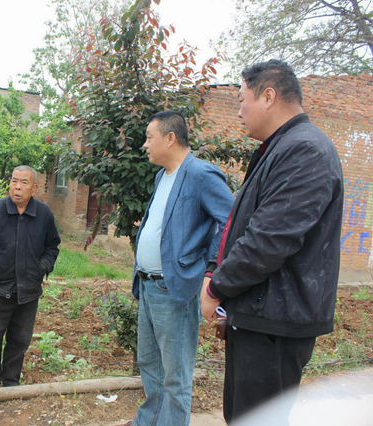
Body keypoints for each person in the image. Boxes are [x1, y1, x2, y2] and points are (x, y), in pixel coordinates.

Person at [200, 59, 344, 424]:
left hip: (276, 322)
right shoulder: (277, 148)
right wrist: (222, 285)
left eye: (241, 100)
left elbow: (268, 240)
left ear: (268, 96)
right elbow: (239, 225)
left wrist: (217, 288)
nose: (238, 112)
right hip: (260, 315)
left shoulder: (304, 150)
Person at [127, 111, 234, 426]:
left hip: (174, 289)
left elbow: (231, 223)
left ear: (170, 138)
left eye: (150, 137)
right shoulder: (162, 176)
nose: (145, 144)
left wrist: (208, 268)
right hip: (148, 285)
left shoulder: (200, 174)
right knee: (150, 364)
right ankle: (149, 421)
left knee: (175, 375)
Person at [0, 165, 61, 388]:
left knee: (20, 339)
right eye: (14, 181)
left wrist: (42, 267)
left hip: (28, 290)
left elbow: (52, 246)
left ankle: (11, 383)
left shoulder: (43, 214)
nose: (17, 187)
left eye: (23, 182)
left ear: (34, 188)